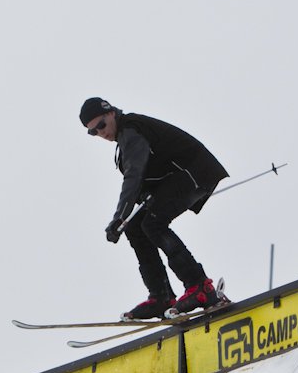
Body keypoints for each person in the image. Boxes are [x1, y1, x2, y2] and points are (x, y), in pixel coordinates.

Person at [79, 97, 230, 319]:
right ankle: (160, 296)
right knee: (135, 226)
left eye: (101, 125)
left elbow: (134, 174)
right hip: (178, 176)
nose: (101, 133)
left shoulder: (131, 130)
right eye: (93, 132)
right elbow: (143, 179)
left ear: (111, 113)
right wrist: (127, 219)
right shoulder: (123, 143)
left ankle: (200, 286)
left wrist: (119, 216)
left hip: (195, 171)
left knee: (153, 222)